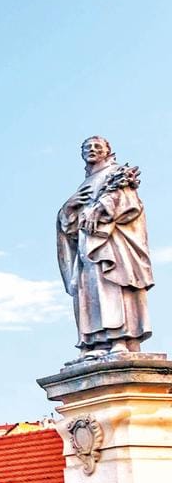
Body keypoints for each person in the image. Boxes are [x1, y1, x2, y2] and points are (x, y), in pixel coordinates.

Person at [58, 136, 153, 356]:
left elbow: (129, 203)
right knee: (90, 292)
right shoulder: (85, 183)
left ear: (107, 151)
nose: (92, 149)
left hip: (112, 245)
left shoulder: (117, 173)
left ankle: (120, 339)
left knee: (114, 287)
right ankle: (95, 342)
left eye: (97, 146)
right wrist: (68, 208)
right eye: (87, 147)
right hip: (87, 247)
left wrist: (101, 208)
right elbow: (70, 226)